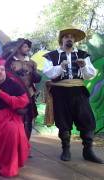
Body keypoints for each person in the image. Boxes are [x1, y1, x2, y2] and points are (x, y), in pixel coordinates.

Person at [43, 28, 103, 164]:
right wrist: (60, 67)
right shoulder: (51, 56)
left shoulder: (83, 54)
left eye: (72, 37)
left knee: (87, 120)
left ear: (74, 40)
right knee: (63, 121)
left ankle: (88, 151)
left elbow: (90, 74)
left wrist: (83, 67)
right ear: (61, 40)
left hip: (78, 90)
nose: (69, 39)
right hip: (60, 92)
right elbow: (49, 73)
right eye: (66, 37)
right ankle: (66, 149)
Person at [2, 38, 41, 140]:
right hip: (13, 95)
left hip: (29, 94)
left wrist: (34, 74)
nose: (27, 48)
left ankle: (26, 145)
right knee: (13, 118)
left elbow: (36, 79)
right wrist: (15, 74)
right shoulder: (9, 62)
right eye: (25, 46)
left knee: (28, 119)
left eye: (28, 46)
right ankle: (13, 143)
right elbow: (4, 77)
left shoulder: (32, 63)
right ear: (18, 48)